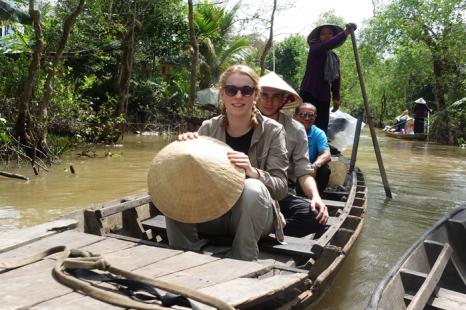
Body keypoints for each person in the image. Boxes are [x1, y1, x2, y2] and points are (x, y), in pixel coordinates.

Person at [166, 65, 289, 261]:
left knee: (252, 188)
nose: (238, 96)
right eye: (232, 90)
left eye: (246, 90)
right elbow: (192, 176)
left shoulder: (273, 131)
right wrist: (184, 151)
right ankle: (183, 255)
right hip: (212, 214)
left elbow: (281, 188)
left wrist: (252, 171)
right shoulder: (208, 128)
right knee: (173, 186)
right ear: (222, 95)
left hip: (255, 218)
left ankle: (243, 259)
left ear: (255, 95)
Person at [256, 72, 329, 238]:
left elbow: (303, 171)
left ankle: (265, 228)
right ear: (255, 96)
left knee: (316, 216)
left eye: (275, 96)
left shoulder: (296, 129)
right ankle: (262, 226)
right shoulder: (242, 121)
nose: (269, 101)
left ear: (284, 100)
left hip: (279, 192)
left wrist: (316, 197)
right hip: (245, 190)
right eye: (264, 95)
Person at [299, 23, 357, 135]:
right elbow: (327, 44)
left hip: (324, 95)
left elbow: (336, 78)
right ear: (319, 37)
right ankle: (300, 144)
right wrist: (345, 33)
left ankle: (321, 146)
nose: (326, 36)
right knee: (304, 121)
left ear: (334, 36)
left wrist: (336, 97)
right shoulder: (315, 48)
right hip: (309, 91)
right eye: (323, 34)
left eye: (330, 33)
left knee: (321, 124)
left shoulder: (335, 58)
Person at [293, 103, 331, 194]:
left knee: (325, 169)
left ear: (315, 118)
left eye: (310, 115)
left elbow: (327, 154)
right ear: (295, 116)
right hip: (291, 166)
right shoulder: (288, 130)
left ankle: (315, 196)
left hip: (309, 167)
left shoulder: (318, 133)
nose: (306, 118)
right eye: (303, 114)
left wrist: (315, 166)